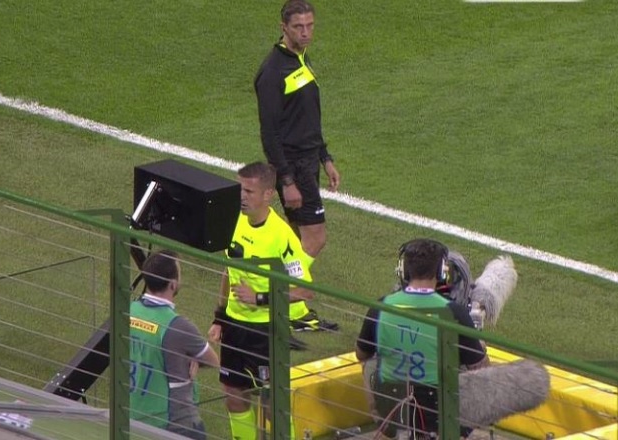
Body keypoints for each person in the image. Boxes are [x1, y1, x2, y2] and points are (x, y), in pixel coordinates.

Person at [208, 161, 315, 440]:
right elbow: (228, 270)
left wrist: (259, 298)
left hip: (266, 332)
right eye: (239, 189)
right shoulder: (232, 220)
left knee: (272, 404)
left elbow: (305, 291)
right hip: (234, 327)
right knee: (234, 395)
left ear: (268, 194)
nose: (241, 197)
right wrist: (219, 317)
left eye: (249, 191)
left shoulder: (282, 236)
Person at [355, 239, 490, 439]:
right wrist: (479, 347)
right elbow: (481, 369)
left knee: (371, 364)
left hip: (393, 411)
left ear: (403, 270)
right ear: (441, 271)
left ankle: (386, 431)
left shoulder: (381, 306)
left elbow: (361, 354)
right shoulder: (453, 312)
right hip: (439, 415)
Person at [254, 0, 340, 260]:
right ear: (284, 27)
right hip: (295, 165)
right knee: (315, 239)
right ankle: (276, 286)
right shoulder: (273, 72)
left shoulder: (300, 57)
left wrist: (325, 158)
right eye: (298, 27)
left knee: (295, 237)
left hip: (309, 159)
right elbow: (269, 134)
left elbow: (307, 118)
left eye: (310, 26)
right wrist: (287, 181)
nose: (306, 33)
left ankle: (261, 272)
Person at [129, 250, 219, 440]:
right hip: (172, 422)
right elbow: (213, 361)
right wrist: (191, 359)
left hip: (132, 415)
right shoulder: (178, 326)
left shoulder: (128, 311)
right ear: (172, 284)